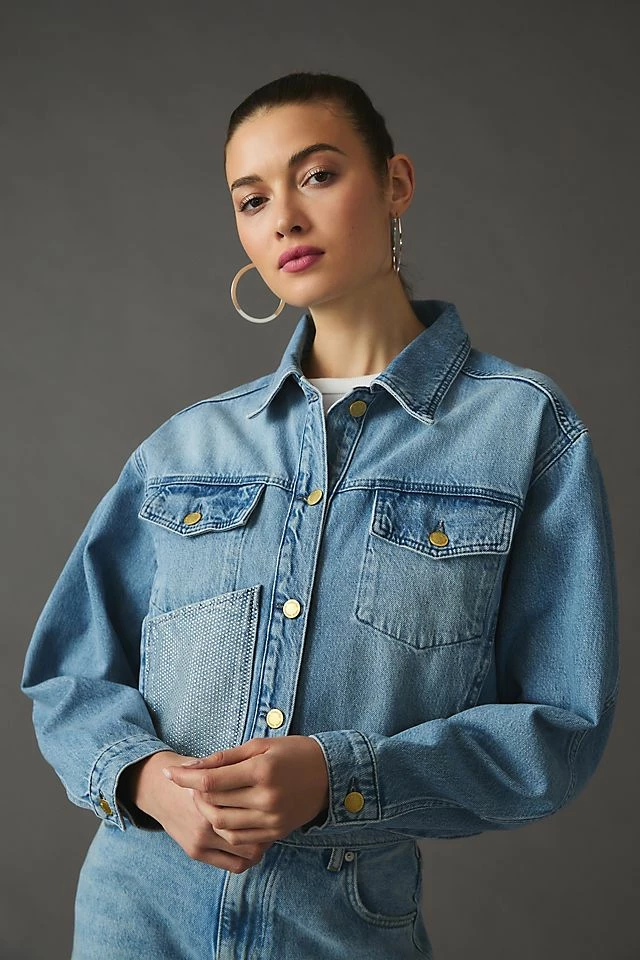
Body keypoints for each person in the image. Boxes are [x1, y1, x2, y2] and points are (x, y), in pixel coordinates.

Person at [20, 71, 619, 960]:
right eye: (252, 199)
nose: (284, 220)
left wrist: (342, 779)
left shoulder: (524, 429)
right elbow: (68, 678)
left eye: (318, 176)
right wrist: (144, 779)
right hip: (133, 917)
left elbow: (559, 729)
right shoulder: (186, 446)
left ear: (395, 183)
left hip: (340, 927)